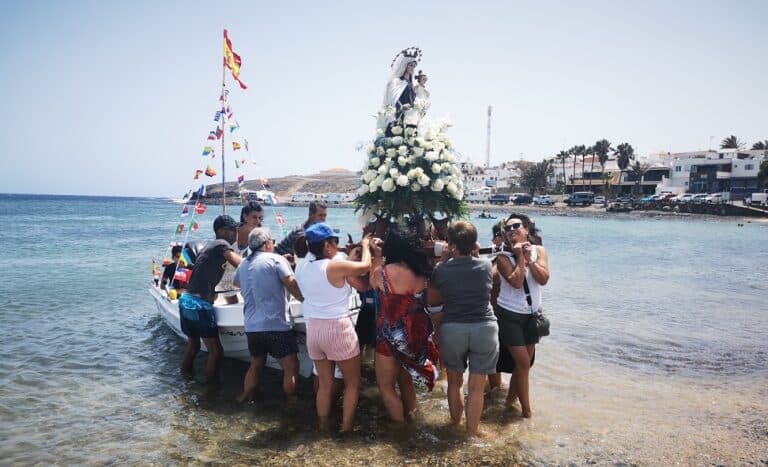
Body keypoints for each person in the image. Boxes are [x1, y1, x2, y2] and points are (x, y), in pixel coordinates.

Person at [294, 223, 372, 432]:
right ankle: (346, 427)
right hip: (338, 328)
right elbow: (365, 267)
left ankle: (322, 425)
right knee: (353, 383)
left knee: (325, 384)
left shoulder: (302, 265)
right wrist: (365, 245)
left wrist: (348, 257)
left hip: (315, 330)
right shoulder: (334, 266)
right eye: (335, 242)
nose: (337, 247)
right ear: (328, 245)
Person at [428, 221, 498, 435]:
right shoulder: (486, 265)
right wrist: (475, 255)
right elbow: (487, 276)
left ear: (452, 244)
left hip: (454, 327)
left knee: (455, 382)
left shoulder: (441, 269)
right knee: (477, 387)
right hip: (484, 327)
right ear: (474, 243)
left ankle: (455, 426)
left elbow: (431, 301)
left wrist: (443, 260)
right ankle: (471, 432)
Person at [370, 227, 438, 422]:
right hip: (415, 333)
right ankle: (411, 416)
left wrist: (376, 255)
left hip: (390, 335)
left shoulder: (386, 271)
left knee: (386, 386)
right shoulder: (420, 271)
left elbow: (373, 282)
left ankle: (401, 429)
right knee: (405, 379)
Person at [233, 227, 303, 403]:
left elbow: (236, 283)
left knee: (256, 363)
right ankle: (291, 399)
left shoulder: (243, 264)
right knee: (290, 365)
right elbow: (291, 283)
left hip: (251, 326)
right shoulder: (275, 259)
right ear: (267, 243)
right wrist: (304, 300)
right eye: (272, 240)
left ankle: (245, 396)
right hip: (276, 324)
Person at [494, 213, 549, 418]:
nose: (511, 231)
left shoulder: (539, 251)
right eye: (507, 229)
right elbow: (516, 283)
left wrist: (530, 260)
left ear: (526, 228)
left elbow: (543, 279)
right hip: (509, 315)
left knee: (523, 366)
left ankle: (510, 401)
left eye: (516, 226)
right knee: (524, 364)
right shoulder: (502, 257)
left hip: (532, 316)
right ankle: (527, 412)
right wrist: (519, 257)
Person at [178, 215, 243, 380]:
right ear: (221, 231)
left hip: (186, 301)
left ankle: (184, 380)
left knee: (193, 347)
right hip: (199, 304)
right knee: (216, 351)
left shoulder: (208, 247)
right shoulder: (222, 244)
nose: (235, 233)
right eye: (232, 230)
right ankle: (210, 393)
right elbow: (241, 265)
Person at [216, 202, 264, 304]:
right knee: (231, 302)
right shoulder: (232, 232)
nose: (258, 221)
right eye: (254, 217)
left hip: (236, 271)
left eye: (260, 218)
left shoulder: (255, 234)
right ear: (245, 216)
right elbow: (218, 248)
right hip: (219, 270)